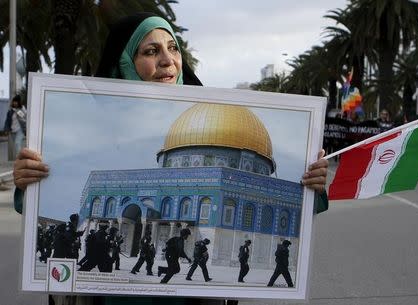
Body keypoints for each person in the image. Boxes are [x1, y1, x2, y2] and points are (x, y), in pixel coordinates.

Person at [12, 12, 329, 305]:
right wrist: (28, 181)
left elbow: (298, 208)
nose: (167, 61)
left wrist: (311, 187)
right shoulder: (82, 123)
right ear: (125, 61)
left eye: (173, 48)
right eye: (151, 52)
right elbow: (38, 199)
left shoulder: (216, 108)